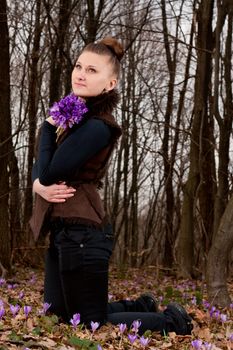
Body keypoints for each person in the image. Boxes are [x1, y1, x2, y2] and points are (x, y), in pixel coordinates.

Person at [30, 37, 193, 336]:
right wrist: (38, 185)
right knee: (60, 315)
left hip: (84, 235)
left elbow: (50, 171)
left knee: (94, 323)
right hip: (63, 229)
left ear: (110, 84)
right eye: (78, 66)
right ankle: (142, 306)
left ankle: (172, 320)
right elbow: (41, 174)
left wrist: (46, 128)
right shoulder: (77, 119)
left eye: (92, 70)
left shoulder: (97, 126)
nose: (80, 74)